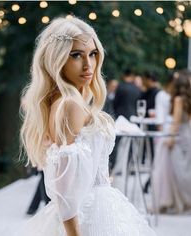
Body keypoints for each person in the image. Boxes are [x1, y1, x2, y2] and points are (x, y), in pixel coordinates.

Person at [17, 17, 156, 236]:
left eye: (92, 54)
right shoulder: (69, 105)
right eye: (76, 55)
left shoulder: (65, 101)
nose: (88, 64)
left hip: (96, 208)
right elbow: (65, 187)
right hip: (88, 217)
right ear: (57, 59)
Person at [152, 70, 191, 213]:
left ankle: (179, 201)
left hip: (179, 136)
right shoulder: (188, 99)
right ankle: (182, 202)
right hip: (188, 135)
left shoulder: (179, 100)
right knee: (185, 170)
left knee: (176, 171)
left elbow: (175, 122)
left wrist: (171, 138)